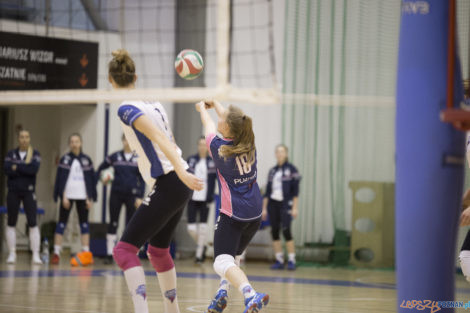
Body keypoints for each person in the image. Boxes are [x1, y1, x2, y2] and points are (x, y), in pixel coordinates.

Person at [108, 49, 202, 313]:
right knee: (158, 251)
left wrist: (180, 173)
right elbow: (165, 140)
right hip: (179, 181)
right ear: (135, 77)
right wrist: (182, 172)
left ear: (110, 80)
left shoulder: (126, 109)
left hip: (172, 180)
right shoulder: (154, 103)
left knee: (124, 251)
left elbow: (160, 140)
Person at [196, 99, 269, 313]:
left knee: (220, 261)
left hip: (233, 214)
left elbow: (208, 125)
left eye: (222, 118)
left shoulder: (221, 150)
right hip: (254, 214)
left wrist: (202, 109)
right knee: (232, 256)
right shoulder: (249, 140)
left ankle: (250, 294)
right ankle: (222, 294)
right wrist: (217, 104)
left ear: (226, 127)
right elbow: (237, 120)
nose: (219, 118)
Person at [96, 134, 145, 264]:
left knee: (130, 225)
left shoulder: (138, 157)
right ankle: (109, 254)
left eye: (130, 140)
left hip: (132, 196)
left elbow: (143, 179)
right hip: (116, 194)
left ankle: (128, 254)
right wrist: (102, 179)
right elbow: (100, 169)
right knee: (113, 223)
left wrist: (140, 196)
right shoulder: (114, 156)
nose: (127, 142)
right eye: (125, 140)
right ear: (122, 141)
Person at [51, 133, 97, 265]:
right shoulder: (64, 159)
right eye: (71, 141)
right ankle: (56, 252)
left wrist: (90, 198)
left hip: (83, 197)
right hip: (68, 197)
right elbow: (60, 180)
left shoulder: (87, 160)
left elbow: (91, 181)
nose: (74, 144)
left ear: (81, 143)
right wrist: (63, 196)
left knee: (84, 225)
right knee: (61, 224)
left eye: (76, 141)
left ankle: (86, 253)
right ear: (69, 144)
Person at [3, 129, 42, 264]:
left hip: (29, 192)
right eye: (22, 137)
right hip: (13, 191)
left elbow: (33, 170)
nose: (24, 139)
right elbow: (6, 169)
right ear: (18, 139)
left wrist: (16, 168)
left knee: (33, 222)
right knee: (11, 222)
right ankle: (12, 253)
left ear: (29, 138)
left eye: (27, 137)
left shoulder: (35, 154)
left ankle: (36, 254)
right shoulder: (10, 154)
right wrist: (23, 167)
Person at [262, 144, 301, 270]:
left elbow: (295, 191)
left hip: (286, 203)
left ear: (286, 154)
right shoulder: (272, 171)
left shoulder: (292, 170)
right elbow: (267, 192)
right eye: (277, 152)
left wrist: (295, 207)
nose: (279, 154)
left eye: (282, 151)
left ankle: (291, 260)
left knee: (286, 230)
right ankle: (279, 260)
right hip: (273, 204)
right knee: (274, 231)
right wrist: (264, 208)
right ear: (275, 154)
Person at [186, 136, 217, 263]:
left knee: (203, 228)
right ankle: (202, 245)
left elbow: (218, 180)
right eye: (200, 144)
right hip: (192, 198)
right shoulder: (191, 160)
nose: (202, 147)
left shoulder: (213, 162)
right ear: (197, 146)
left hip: (206, 199)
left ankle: (199, 255)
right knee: (191, 228)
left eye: (204, 144)